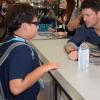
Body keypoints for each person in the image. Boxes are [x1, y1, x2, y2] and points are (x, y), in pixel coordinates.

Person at [0, 3, 60, 100]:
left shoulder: (9, 41)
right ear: (25, 26)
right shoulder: (21, 50)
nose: (38, 27)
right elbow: (16, 88)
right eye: (36, 23)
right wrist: (43, 68)